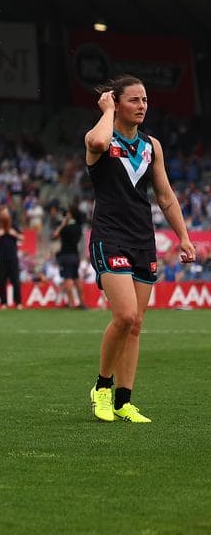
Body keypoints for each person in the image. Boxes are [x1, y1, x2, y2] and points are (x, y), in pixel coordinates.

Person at [84, 75, 194, 423]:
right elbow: (100, 141)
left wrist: (184, 237)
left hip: (142, 239)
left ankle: (124, 401)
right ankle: (102, 388)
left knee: (136, 324)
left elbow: (164, 196)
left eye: (145, 100)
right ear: (116, 103)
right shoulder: (97, 137)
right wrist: (106, 110)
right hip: (109, 235)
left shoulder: (152, 146)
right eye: (134, 100)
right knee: (126, 315)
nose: (142, 105)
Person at [52, 205, 85, 309]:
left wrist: (63, 224)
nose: (66, 214)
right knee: (76, 278)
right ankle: (82, 303)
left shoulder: (66, 227)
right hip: (75, 255)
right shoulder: (78, 227)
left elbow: (55, 235)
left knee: (68, 279)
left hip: (66, 255)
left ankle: (71, 303)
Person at [0, 207, 21, 308]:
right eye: (3, 213)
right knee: (1, 281)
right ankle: (3, 303)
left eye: (7, 213)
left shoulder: (13, 225)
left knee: (15, 280)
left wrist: (14, 234)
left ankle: (18, 302)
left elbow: (22, 238)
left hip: (12, 257)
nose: (6, 215)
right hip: (0, 257)